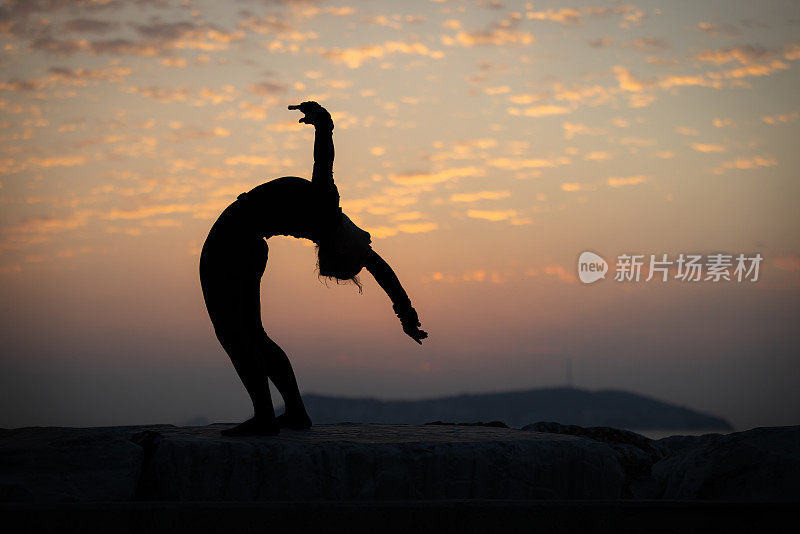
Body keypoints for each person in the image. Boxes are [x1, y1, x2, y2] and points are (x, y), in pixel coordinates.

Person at [199, 101, 428, 436]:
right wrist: (324, 124)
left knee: (236, 334)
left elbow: (380, 268)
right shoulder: (326, 210)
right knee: (251, 334)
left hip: (233, 245)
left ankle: (269, 416)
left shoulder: (327, 217)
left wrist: (324, 124)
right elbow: (380, 267)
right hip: (243, 245)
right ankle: (292, 413)